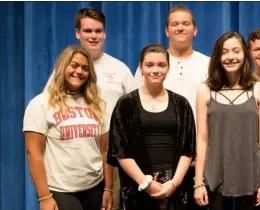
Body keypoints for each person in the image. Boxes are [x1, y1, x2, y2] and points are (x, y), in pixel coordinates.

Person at [44, 8, 134, 210]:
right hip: (73, 160)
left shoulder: (120, 70)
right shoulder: (63, 71)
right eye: (87, 31)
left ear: (104, 33)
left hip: (112, 157)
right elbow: (48, 108)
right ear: (78, 33)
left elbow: (135, 113)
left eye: (98, 31)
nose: (93, 36)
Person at [107, 44, 196, 210]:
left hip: (176, 190)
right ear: (141, 68)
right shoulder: (125, 104)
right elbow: (120, 151)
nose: (156, 70)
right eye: (149, 65)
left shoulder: (182, 104)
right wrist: (145, 182)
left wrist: (174, 183)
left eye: (161, 65)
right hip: (138, 189)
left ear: (168, 68)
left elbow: (188, 149)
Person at [24, 45, 113, 210]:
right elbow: (33, 152)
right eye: (74, 65)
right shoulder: (41, 104)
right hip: (60, 190)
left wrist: (108, 188)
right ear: (62, 67)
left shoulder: (97, 104)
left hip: (95, 187)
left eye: (85, 68)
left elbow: (105, 150)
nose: (79, 71)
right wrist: (44, 197)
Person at [194, 31, 260, 210]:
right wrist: (198, 182)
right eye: (224, 52)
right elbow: (202, 139)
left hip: (251, 176)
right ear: (217, 57)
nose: (231, 57)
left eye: (236, 51)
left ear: (245, 54)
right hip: (216, 177)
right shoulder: (205, 91)